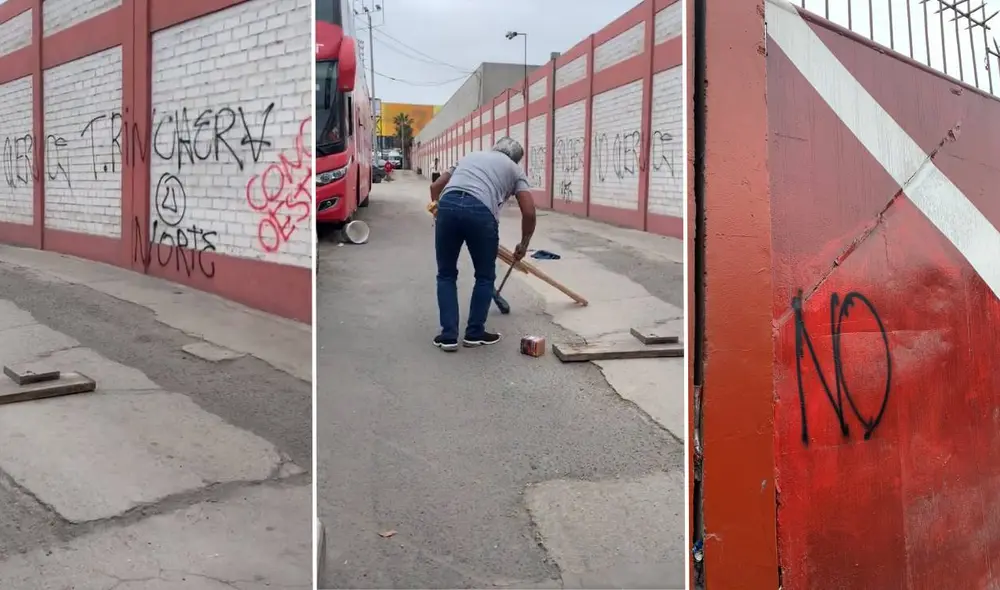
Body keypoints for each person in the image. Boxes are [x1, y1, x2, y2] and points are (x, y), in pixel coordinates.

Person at [429, 137, 536, 351]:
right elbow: (529, 211)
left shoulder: (471, 156)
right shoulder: (515, 170)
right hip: (481, 213)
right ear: (517, 159)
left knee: (446, 274)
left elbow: (436, 185)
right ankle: (474, 333)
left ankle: (448, 336)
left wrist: (437, 212)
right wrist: (523, 245)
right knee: (485, 276)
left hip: (448, 206)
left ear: (494, 148)